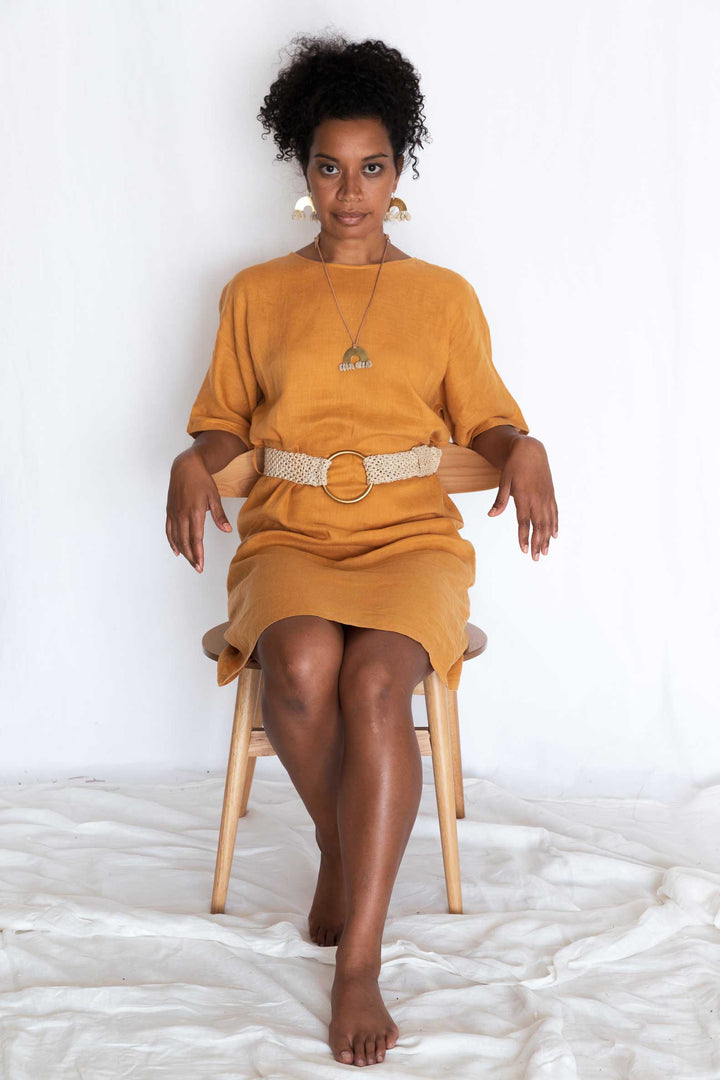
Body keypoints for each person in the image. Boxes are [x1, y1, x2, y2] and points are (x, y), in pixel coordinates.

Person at [166, 32, 558, 1068]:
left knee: (377, 679)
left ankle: (360, 963)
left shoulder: (444, 298)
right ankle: (343, 848)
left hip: (409, 537)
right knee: (299, 661)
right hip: (290, 530)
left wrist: (523, 449)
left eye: (372, 167)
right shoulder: (254, 292)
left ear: (399, 170)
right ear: (303, 168)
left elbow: (485, 419)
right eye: (331, 168)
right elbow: (224, 420)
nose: (352, 192)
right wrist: (193, 460)